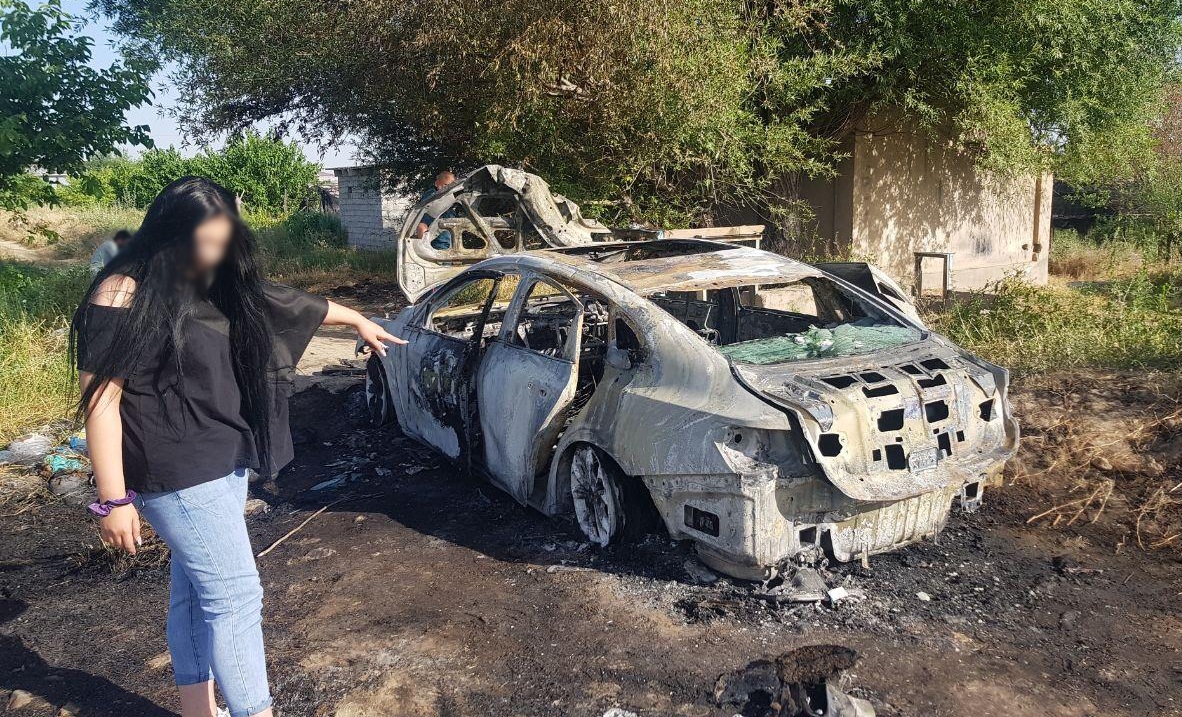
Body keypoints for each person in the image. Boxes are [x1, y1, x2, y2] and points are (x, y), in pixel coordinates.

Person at [71, 177, 407, 717]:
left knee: (194, 594)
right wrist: (112, 499)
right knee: (236, 597)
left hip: (224, 459)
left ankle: (198, 711)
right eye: (202, 243)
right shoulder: (121, 292)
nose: (211, 255)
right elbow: (102, 403)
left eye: (221, 243)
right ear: (169, 232)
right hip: (176, 470)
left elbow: (286, 302)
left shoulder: (210, 280)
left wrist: (358, 320)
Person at [415, 170, 457, 250]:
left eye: (451, 187)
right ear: (436, 183)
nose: (447, 189)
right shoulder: (432, 194)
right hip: (435, 240)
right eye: (445, 185)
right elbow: (422, 220)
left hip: (447, 240)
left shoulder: (450, 198)